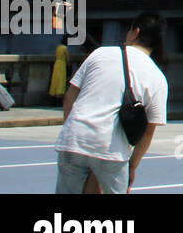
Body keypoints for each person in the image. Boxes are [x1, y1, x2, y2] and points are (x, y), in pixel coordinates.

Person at [53, 13, 168, 195]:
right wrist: (132, 166)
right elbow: (149, 130)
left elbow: (70, 97)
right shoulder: (158, 78)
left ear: (135, 32)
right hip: (111, 147)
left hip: (74, 137)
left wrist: (71, 128)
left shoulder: (100, 53)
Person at [49, 33, 70, 105]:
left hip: (56, 64)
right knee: (61, 81)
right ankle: (59, 98)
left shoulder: (58, 47)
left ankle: (53, 97)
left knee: (55, 80)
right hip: (62, 65)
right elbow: (67, 58)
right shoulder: (65, 48)